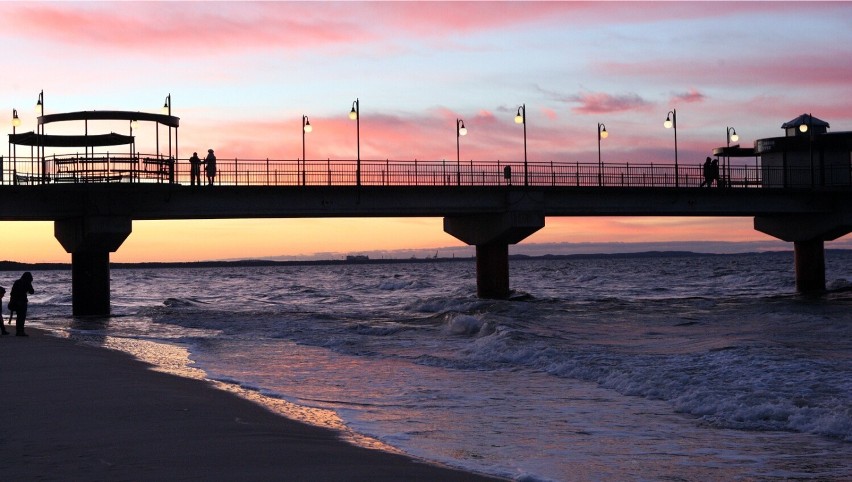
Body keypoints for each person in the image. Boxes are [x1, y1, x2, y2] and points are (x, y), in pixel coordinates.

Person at [9, 272, 34, 337]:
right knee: (22, 317)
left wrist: (12, 301)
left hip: (16, 301)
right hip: (22, 302)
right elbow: (32, 292)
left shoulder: (17, 282)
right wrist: (29, 284)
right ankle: (21, 331)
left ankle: (18, 331)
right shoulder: (27, 283)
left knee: (19, 317)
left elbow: (12, 293)